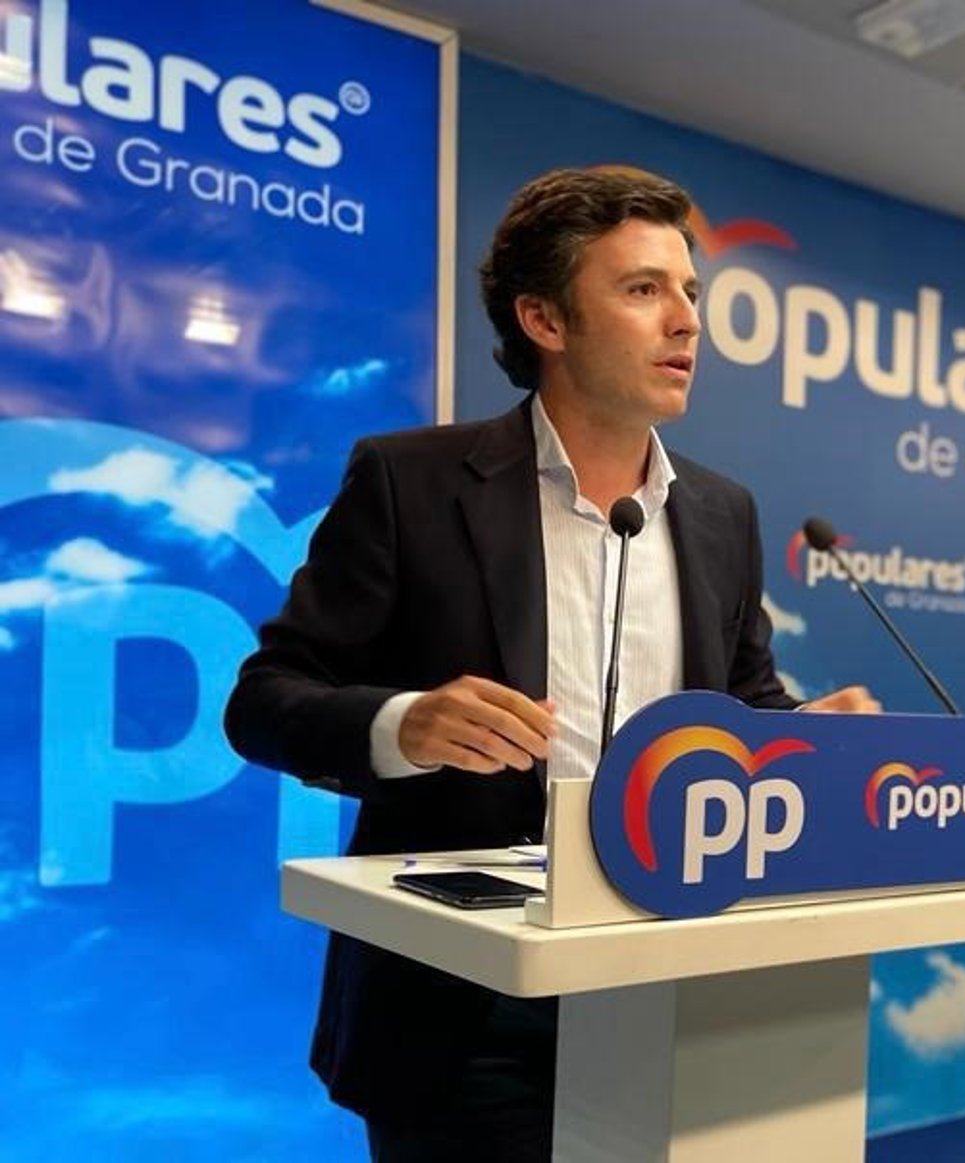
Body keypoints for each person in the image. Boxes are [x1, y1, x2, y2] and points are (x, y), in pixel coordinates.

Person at [224, 166, 879, 1161]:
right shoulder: (410, 481)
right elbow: (264, 699)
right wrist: (404, 724)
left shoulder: (722, 513)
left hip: (676, 979)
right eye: (643, 289)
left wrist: (800, 741)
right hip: (467, 1011)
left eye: (690, 290)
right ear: (544, 318)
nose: (687, 321)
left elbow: (742, 708)